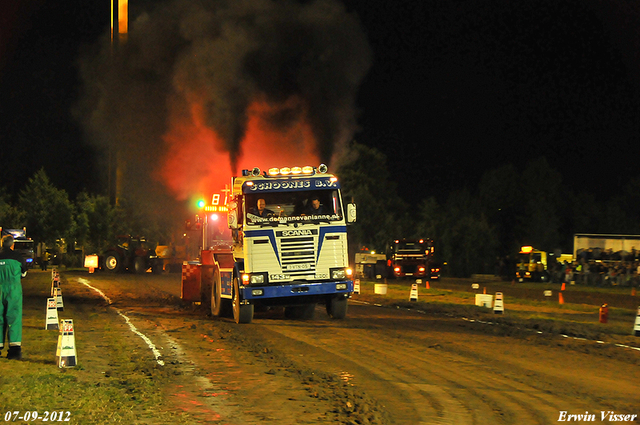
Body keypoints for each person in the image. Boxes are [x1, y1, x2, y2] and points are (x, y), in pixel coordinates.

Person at [0, 235, 27, 360]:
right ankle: (14, 350)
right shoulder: (18, 257)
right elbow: (23, 273)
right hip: (13, 290)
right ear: (12, 245)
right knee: (14, 318)